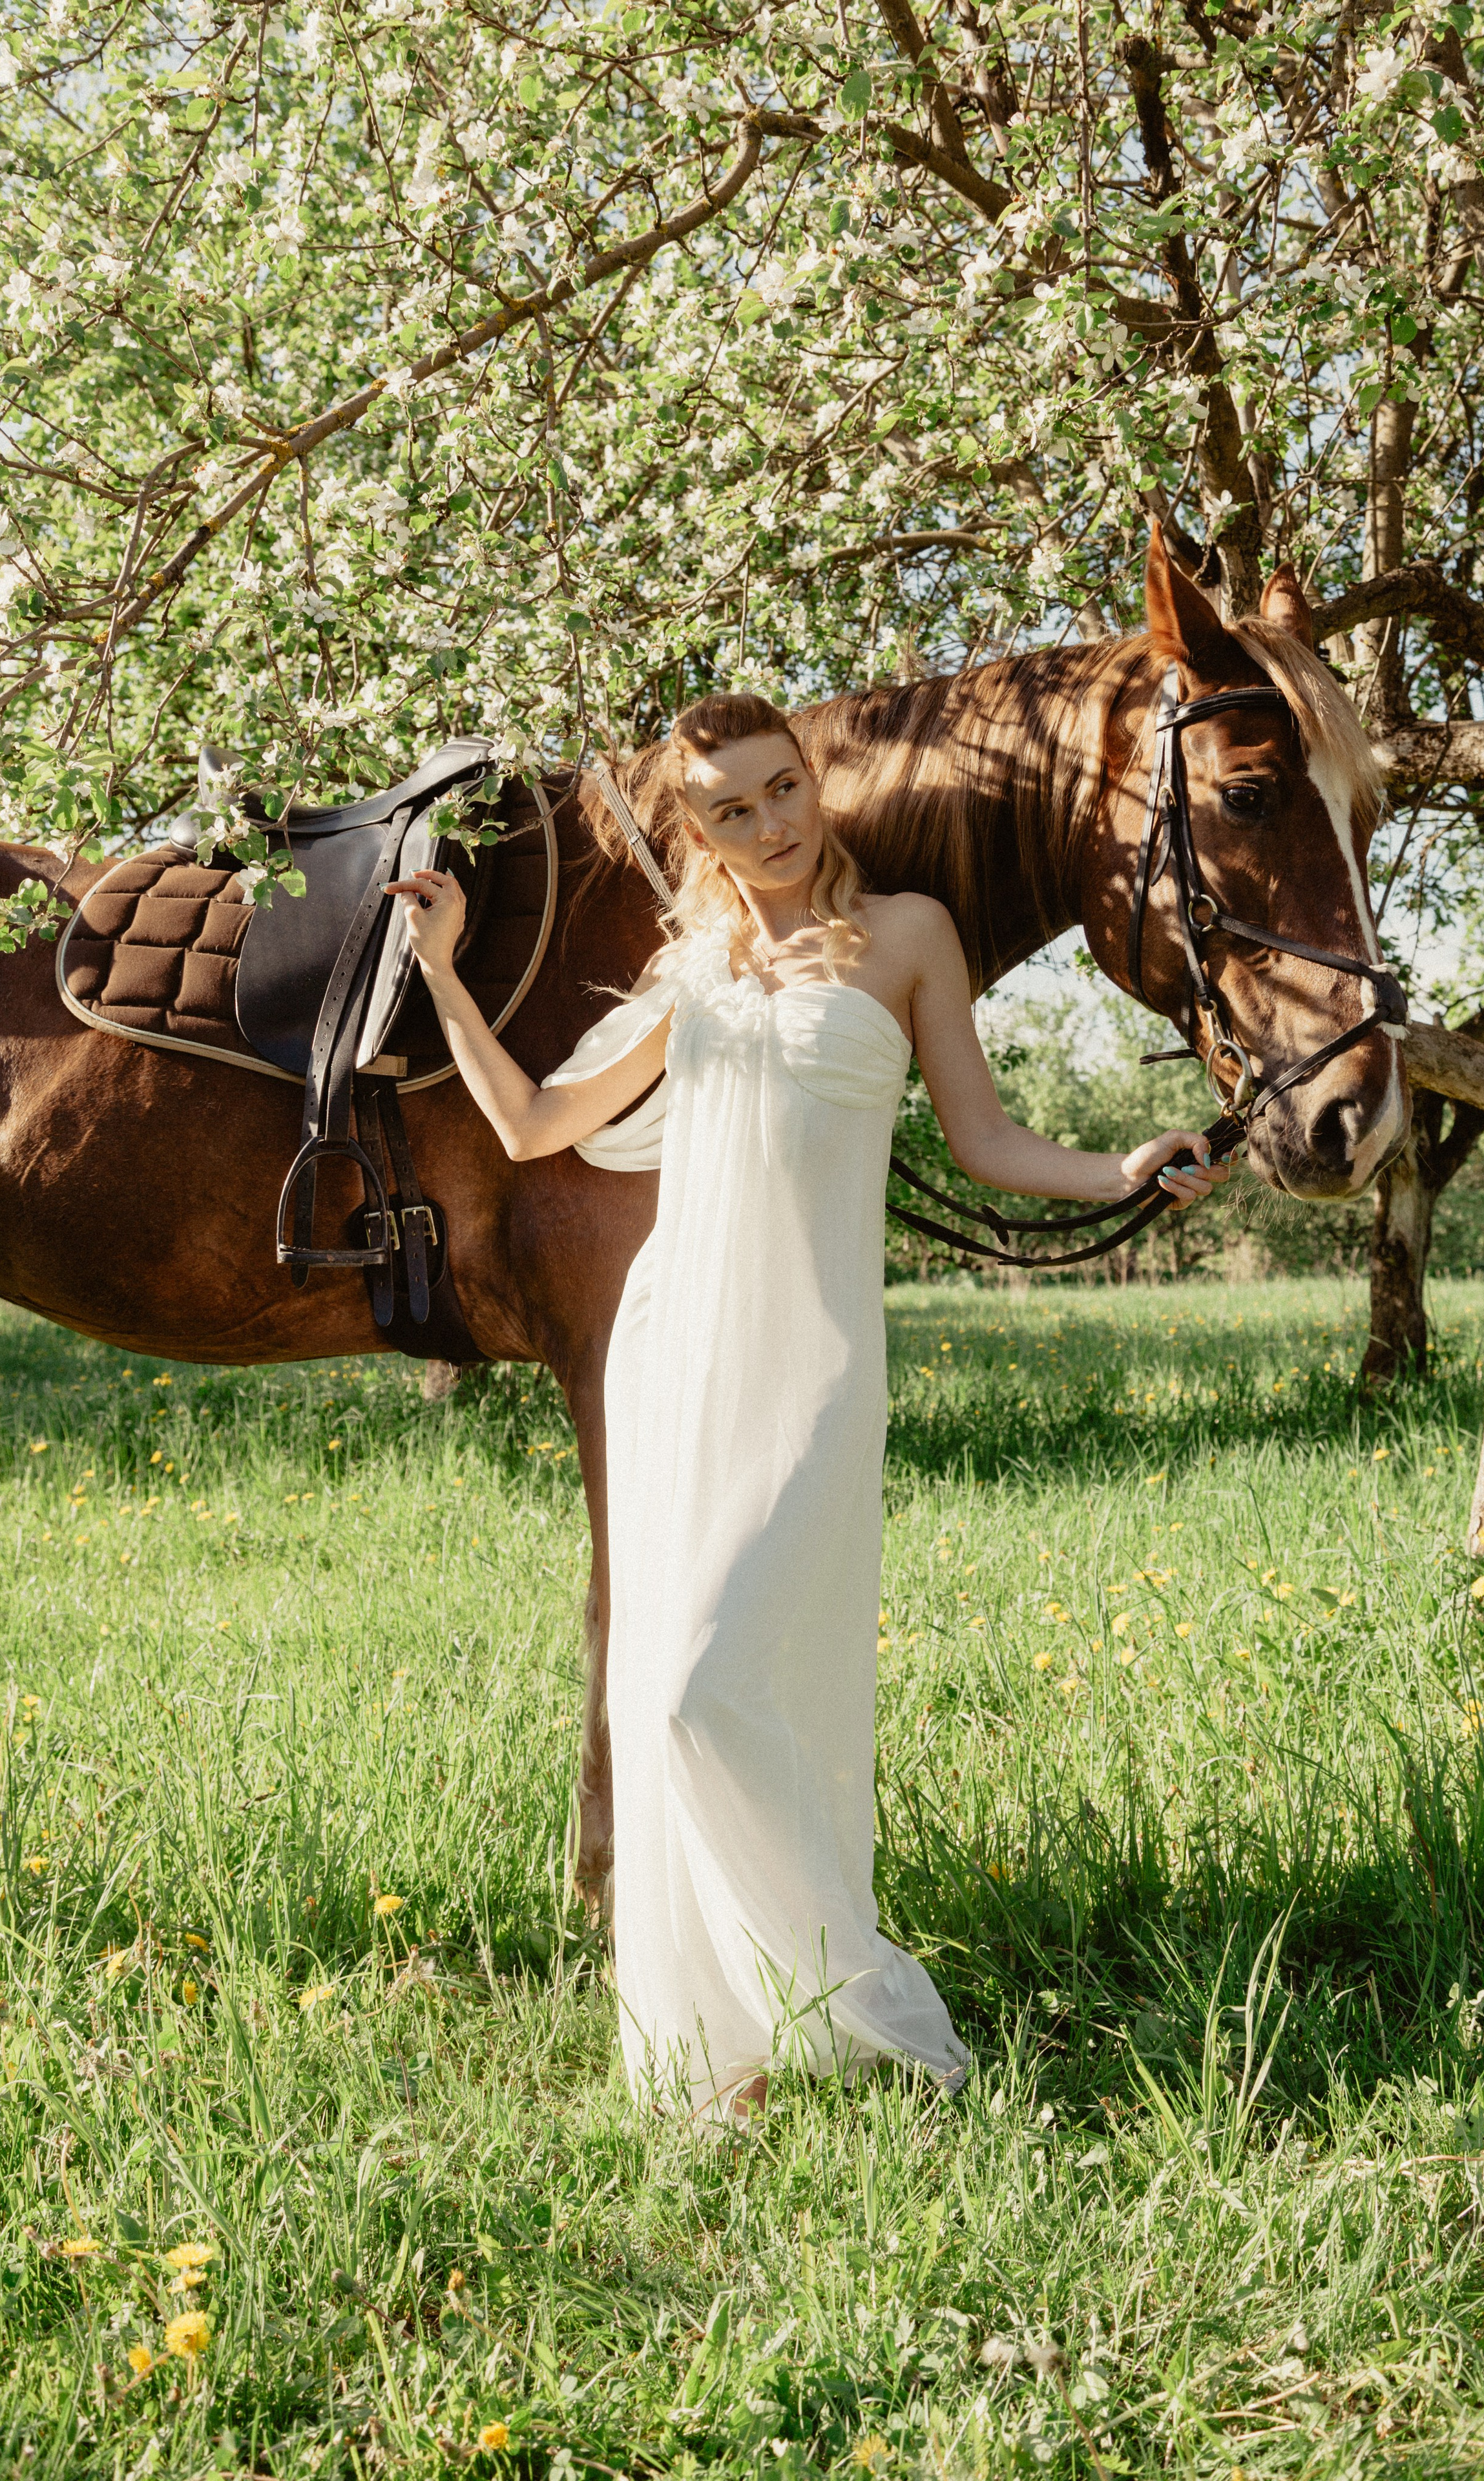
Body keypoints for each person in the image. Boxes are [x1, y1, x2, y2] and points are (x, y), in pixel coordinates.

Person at [390, 693, 1228, 2120]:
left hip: (811, 1358)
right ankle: (719, 2050)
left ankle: (842, 2002)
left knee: (716, 1684)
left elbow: (984, 1138)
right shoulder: (693, 963)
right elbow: (535, 1126)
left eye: (784, 790)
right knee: (671, 1697)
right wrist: (445, 975)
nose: (771, 826)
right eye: (732, 810)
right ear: (695, 830)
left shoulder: (907, 936)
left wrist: (1124, 1166)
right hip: (674, 1351)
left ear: (811, 781)